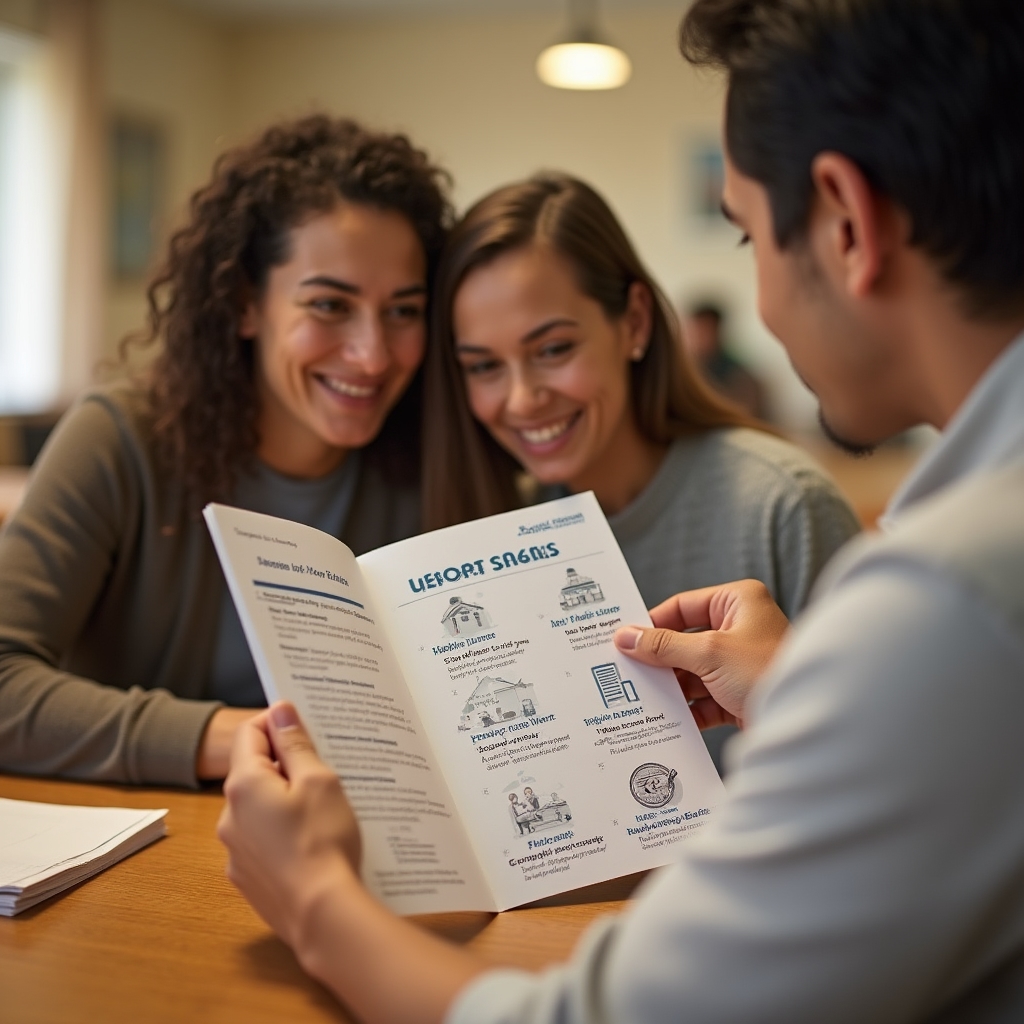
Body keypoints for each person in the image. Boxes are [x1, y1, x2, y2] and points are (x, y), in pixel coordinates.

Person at [217, 0, 1024, 1020]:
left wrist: (315, 896)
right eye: (481, 367)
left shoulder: (943, 597)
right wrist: (798, 696)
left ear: (845, 222)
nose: (760, 302)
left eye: (743, 233)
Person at [0, 115, 452, 787]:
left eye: (404, 311)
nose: (373, 354)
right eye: (330, 305)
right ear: (246, 303)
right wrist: (253, 738)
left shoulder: (434, 465)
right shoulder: (123, 439)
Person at [422, 171, 860, 768]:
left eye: (552, 350)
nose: (522, 399)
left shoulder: (782, 506)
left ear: (633, 322)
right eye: (483, 366)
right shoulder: (497, 525)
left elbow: (882, 767)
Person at [681, 298, 769, 419]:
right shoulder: (687, 369)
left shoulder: (740, 376)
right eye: (695, 330)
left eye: (704, 330)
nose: (698, 337)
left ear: (717, 330)